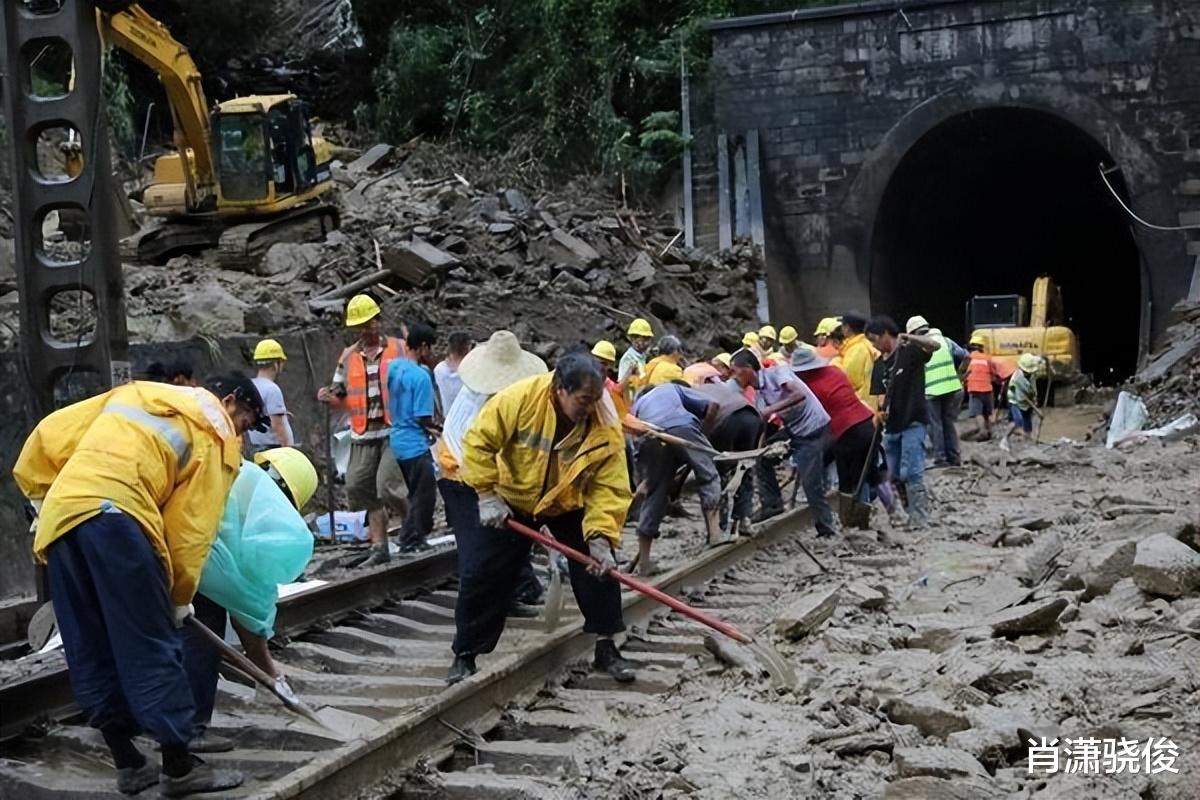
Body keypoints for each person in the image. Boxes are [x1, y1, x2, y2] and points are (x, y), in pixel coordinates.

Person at [12, 375, 266, 797]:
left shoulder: (137, 394)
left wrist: (42, 498)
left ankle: (128, 763)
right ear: (228, 402)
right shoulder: (215, 434)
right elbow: (190, 530)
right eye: (245, 421)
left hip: (60, 522)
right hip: (118, 519)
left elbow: (48, 436)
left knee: (90, 646)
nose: (241, 433)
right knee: (151, 644)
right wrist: (180, 596)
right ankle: (180, 769)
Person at [450, 352, 636, 685]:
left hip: (567, 501)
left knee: (601, 570)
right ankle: (465, 655)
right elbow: (478, 442)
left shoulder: (604, 420)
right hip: (514, 497)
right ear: (559, 388)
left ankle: (607, 647)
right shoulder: (519, 399)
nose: (591, 407)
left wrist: (600, 536)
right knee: (482, 573)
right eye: (583, 400)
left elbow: (611, 485)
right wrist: (487, 494)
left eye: (596, 399)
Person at [182, 447, 317, 753]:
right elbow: (245, 604)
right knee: (205, 625)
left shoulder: (231, 480)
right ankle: (190, 730)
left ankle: (149, 723)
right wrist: (271, 674)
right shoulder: (237, 507)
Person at [438, 331, 549, 624]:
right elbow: (469, 450)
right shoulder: (477, 399)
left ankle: (511, 595)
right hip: (459, 476)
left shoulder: (510, 397)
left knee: (507, 541)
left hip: (489, 475)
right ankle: (475, 613)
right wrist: (487, 494)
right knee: (477, 548)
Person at [317, 294, 409, 567]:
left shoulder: (399, 349)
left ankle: (412, 524)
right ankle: (379, 547)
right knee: (359, 486)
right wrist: (328, 397)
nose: (364, 331)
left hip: (393, 429)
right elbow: (340, 396)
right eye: (359, 327)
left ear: (379, 321)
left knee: (388, 485)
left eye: (369, 324)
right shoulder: (348, 357)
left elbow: (418, 381)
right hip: (362, 431)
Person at [730, 351, 837, 536]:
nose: (734, 377)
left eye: (736, 372)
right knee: (762, 459)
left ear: (748, 369)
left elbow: (799, 394)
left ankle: (826, 529)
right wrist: (758, 449)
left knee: (811, 484)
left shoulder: (778, 373)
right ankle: (772, 504)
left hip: (813, 430)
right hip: (794, 430)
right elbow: (763, 424)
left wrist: (771, 409)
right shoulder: (758, 394)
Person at [631, 382, 723, 571]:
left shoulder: (638, 404)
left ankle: (645, 562)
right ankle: (715, 535)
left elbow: (634, 437)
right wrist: (701, 435)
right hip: (680, 427)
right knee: (709, 475)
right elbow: (713, 405)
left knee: (655, 491)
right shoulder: (671, 387)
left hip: (649, 436)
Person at [866, 316, 940, 529]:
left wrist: (910, 337)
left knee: (912, 472)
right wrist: (880, 413)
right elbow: (879, 395)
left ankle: (920, 519)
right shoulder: (879, 364)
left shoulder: (909, 352)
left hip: (913, 420)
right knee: (894, 474)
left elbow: (933, 345)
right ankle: (909, 514)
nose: (874, 345)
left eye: (874, 340)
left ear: (885, 335)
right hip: (892, 427)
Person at [791, 349, 878, 527]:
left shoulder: (810, 388)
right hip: (867, 424)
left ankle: (852, 521)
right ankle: (863, 517)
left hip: (847, 431)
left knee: (848, 480)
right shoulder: (836, 372)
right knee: (863, 475)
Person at [388, 323, 441, 553]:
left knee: (412, 492)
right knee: (423, 495)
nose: (430, 354)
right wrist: (437, 427)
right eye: (428, 349)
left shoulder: (393, 368)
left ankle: (408, 536)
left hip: (395, 440)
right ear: (422, 347)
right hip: (415, 444)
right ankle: (412, 538)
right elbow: (423, 416)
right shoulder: (421, 376)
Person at [695, 379, 761, 536]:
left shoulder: (689, 396)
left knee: (720, 474)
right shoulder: (715, 388)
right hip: (752, 417)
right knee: (745, 468)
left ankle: (721, 525)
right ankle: (744, 518)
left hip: (726, 421)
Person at [906, 315, 965, 467]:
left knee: (935, 425)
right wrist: (960, 375)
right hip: (952, 388)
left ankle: (941, 458)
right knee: (949, 423)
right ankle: (954, 457)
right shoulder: (946, 341)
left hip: (932, 390)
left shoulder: (917, 346)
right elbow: (966, 356)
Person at [248, 338, 294, 452]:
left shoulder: (250, 385)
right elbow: (277, 425)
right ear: (275, 364)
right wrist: (288, 452)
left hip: (255, 448)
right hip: (273, 451)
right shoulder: (272, 389)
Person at [1000, 353, 1044, 451]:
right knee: (1018, 421)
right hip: (1016, 400)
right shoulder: (1018, 379)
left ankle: (1027, 440)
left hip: (1027, 399)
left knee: (1027, 420)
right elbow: (1023, 398)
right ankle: (1005, 439)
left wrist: (1035, 400)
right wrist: (1037, 410)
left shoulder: (1031, 374)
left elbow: (1032, 390)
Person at [962, 335, 1000, 440]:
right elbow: (994, 374)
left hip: (974, 388)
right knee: (987, 412)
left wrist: (962, 381)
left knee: (977, 412)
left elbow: (964, 373)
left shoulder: (969, 358)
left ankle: (982, 431)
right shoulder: (988, 358)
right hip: (987, 388)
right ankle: (989, 431)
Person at [837, 311, 878, 406]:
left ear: (848, 328)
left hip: (864, 403)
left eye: (843, 325)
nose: (841, 329)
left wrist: (836, 362)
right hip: (869, 402)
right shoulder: (864, 343)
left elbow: (849, 379)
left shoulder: (857, 349)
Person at [434, 332, 473, 416]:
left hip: (447, 419)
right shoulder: (471, 371)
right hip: (469, 419)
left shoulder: (439, 370)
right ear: (467, 348)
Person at [619, 318, 655, 396]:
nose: (643, 343)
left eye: (647, 339)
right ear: (631, 339)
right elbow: (621, 384)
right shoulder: (628, 358)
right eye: (638, 338)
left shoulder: (643, 356)